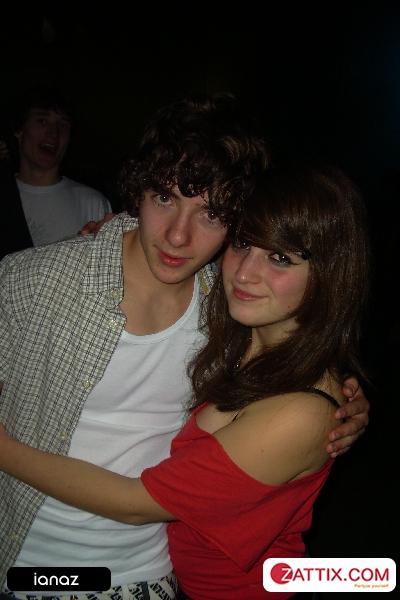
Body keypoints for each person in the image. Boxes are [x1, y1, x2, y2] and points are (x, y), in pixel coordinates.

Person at [0, 94, 369, 598]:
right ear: (138, 191)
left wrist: (339, 403)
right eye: (164, 198)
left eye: (212, 214)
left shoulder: (229, 305)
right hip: (22, 560)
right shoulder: (33, 281)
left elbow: (297, 368)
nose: (178, 236)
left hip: (142, 576)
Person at [0, 85, 111, 260]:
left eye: (63, 125)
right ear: (19, 130)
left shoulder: (92, 202)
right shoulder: (4, 194)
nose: (53, 133)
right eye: (42, 121)